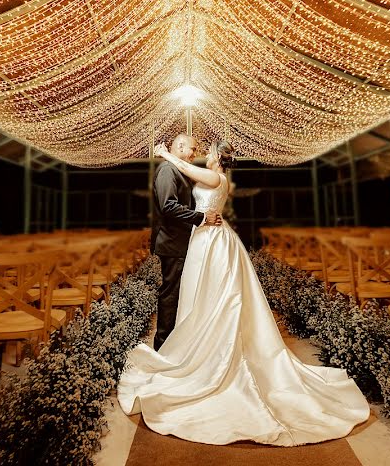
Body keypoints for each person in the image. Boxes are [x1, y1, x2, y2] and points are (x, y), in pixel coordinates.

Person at [117, 138, 370, 446]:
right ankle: (194, 343)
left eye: (208, 152)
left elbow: (184, 168)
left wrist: (164, 154)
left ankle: (214, 353)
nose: (202, 155)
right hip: (203, 239)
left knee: (218, 298)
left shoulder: (216, 177)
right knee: (198, 296)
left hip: (211, 241)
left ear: (219, 160)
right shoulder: (211, 176)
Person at [150, 133, 222, 351]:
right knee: (171, 294)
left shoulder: (176, 170)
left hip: (180, 242)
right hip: (172, 243)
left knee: (179, 293)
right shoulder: (166, 170)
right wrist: (200, 217)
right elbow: (168, 206)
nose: (195, 153)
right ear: (179, 146)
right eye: (192, 148)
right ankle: (162, 348)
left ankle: (176, 345)